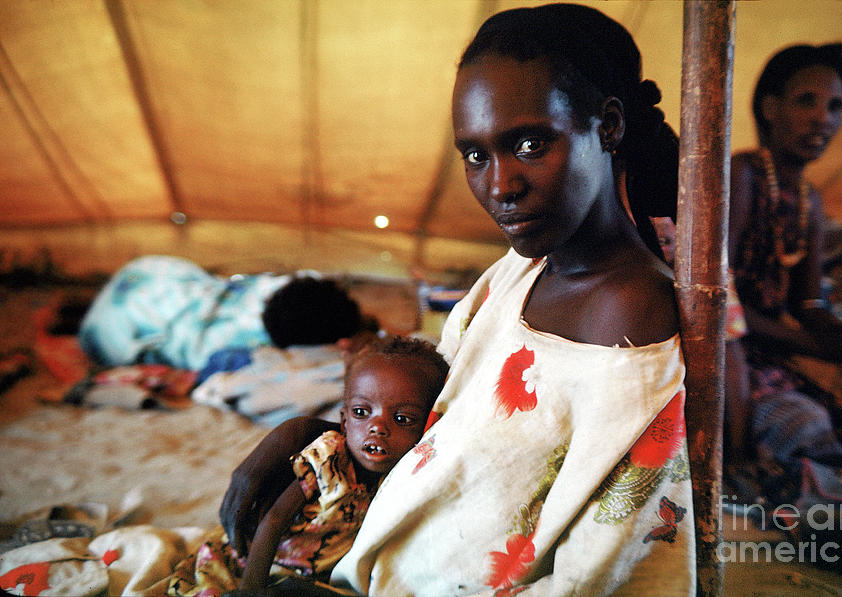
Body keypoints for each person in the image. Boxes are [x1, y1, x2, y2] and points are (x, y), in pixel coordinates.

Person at [220, 4, 692, 595]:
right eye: (475, 155)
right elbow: (431, 427)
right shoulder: (514, 274)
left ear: (609, 127)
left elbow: (610, 568)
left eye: (528, 144)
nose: (499, 186)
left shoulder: (631, 318)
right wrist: (303, 433)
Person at [726, 43, 842, 469]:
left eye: (835, 105)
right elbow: (718, 300)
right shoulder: (742, 174)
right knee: (805, 426)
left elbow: (806, 305)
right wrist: (813, 344)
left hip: (779, 347)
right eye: (807, 101)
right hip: (730, 353)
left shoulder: (810, 201)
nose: (824, 118)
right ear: (770, 107)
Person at [166, 336, 449, 596]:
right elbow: (275, 519)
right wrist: (252, 588)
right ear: (344, 421)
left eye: (402, 419)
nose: (377, 427)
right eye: (362, 412)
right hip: (256, 559)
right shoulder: (329, 459)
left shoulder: (404, 474)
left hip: (307, 571)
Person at [78, 256, 373, 371]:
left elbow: (306, 284)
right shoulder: (228, 348)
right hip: (121, 318)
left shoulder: (277, 290)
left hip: (142, 273)